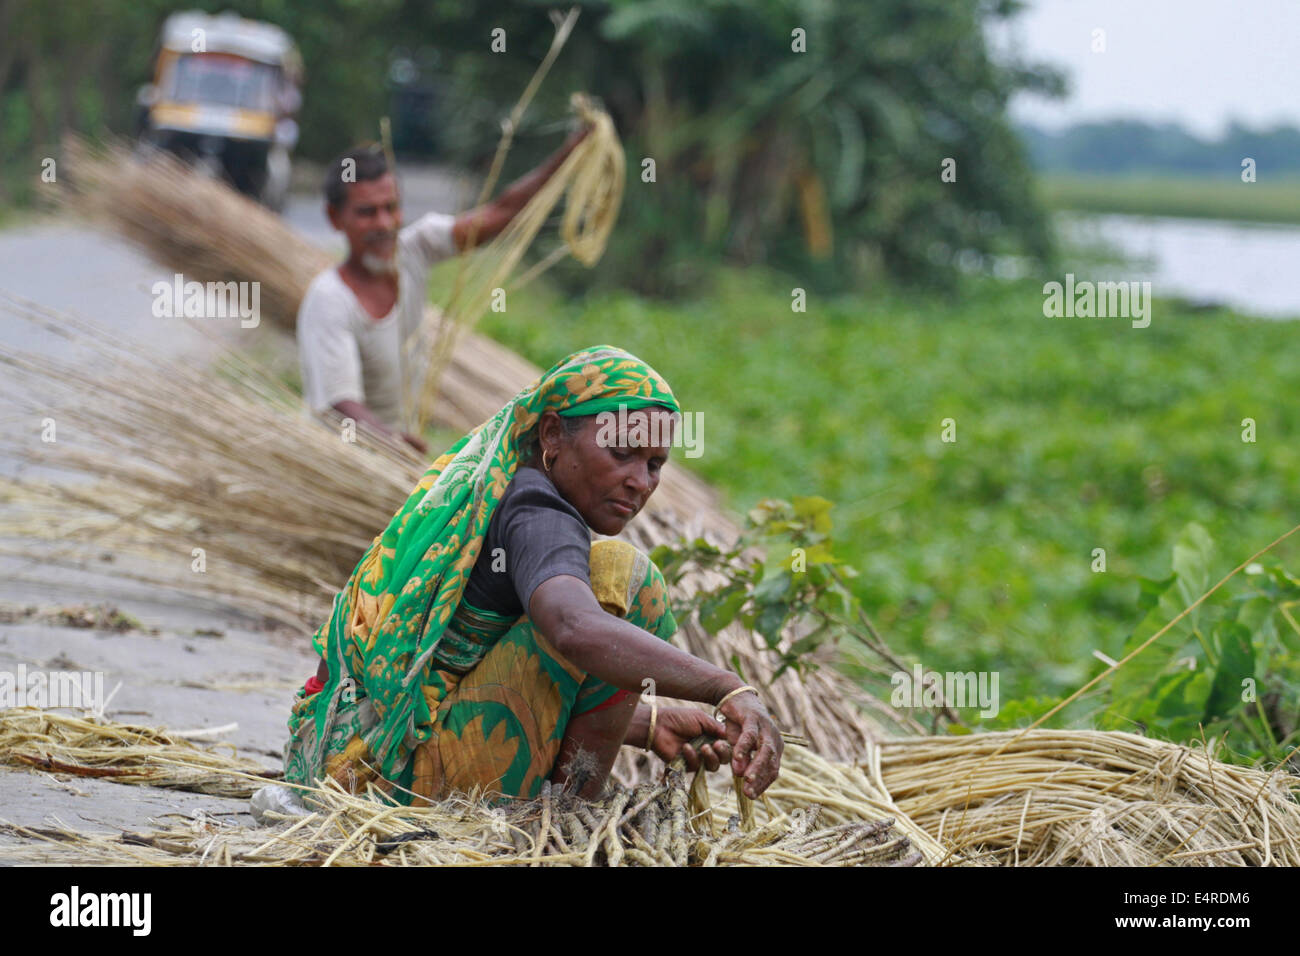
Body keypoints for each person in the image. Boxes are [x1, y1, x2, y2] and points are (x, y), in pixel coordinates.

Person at [283, 345, 784, 804]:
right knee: (627, 578)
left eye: (655, 464)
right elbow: (573, 629)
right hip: (389, 786)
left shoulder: (495, 489)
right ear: (551, 435)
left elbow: (469, 675)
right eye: (621, 453)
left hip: (341, 761)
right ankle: (566, 823)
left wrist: (647, 724)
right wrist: (727, 688)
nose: (639, 481)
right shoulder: (536, 512)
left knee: (599, 589)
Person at [297, 126, 590, 453]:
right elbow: (341, 405)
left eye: (391, 208)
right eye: (367, 212)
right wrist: (392, 445)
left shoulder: (415, 249)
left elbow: (499, 213)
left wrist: (567, 155)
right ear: (334, 218)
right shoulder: (329, 300)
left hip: (395, 452)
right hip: (342, 458)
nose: (383, 224)